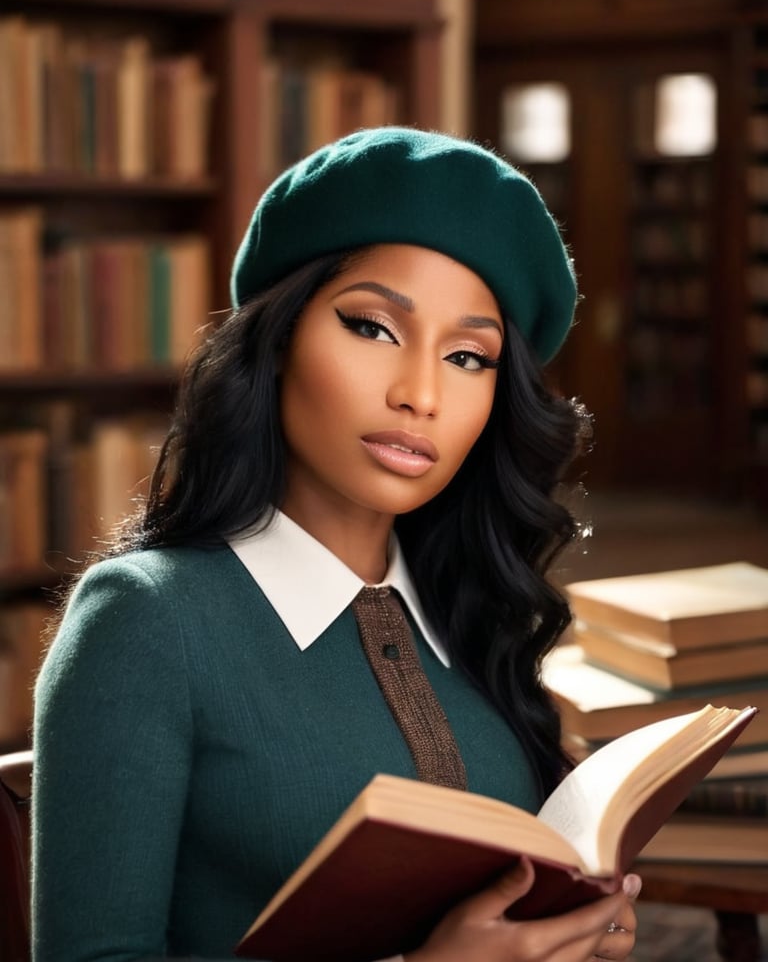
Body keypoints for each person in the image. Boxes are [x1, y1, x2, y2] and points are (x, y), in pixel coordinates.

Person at [32, 127, 641, 962]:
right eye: (373, 329)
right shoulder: (145, 620)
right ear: (279, 341)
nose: (419, 393)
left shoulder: (468, 615)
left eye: (469, 357)